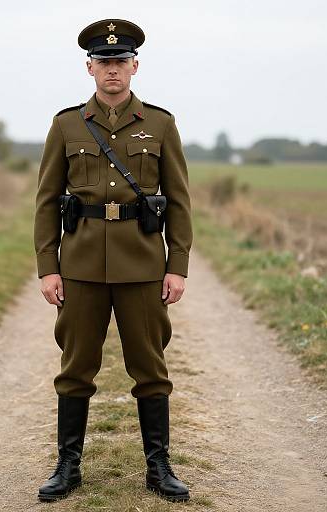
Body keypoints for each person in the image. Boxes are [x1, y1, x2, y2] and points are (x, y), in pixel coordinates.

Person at [33, 18, 193, 503]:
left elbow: (180, 201)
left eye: (120, 61)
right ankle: (67, 466)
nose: (112, 71)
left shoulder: (161, 124)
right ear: (90, 68)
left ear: (135, 66)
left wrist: (177, 265)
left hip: (143, 265)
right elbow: (46, 200)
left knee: (150, 366)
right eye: (104, 62)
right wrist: (48, 266)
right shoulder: (66, 125)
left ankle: (159, 467)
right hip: (80, 265)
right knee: (76, 366)